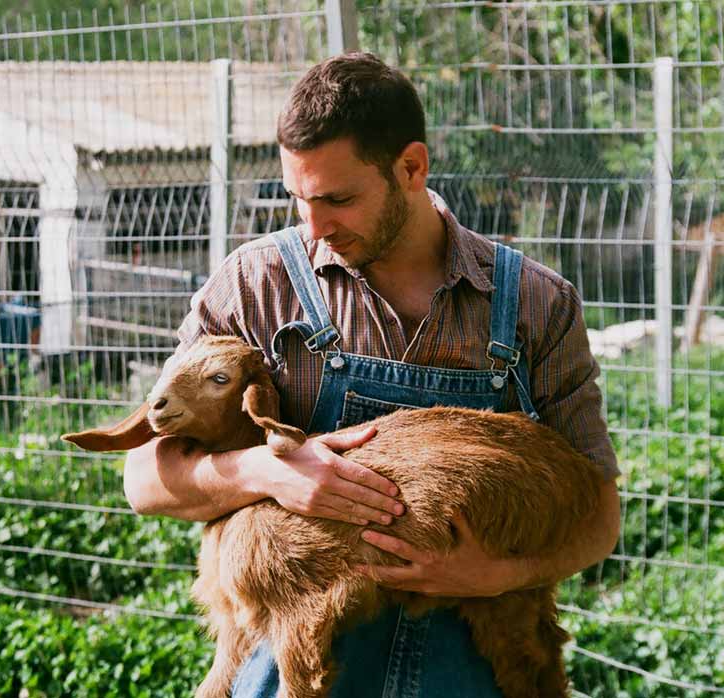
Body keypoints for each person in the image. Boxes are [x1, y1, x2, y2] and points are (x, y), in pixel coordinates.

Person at [123, 51, 621, 697]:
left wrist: (496, 575)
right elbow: (145, 480)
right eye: (298, 198)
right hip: (301, 666)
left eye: (339, 199)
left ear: (411, 167)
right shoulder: (256, 286)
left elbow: (601, 516)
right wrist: (264, 472)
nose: (315, 226)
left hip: (469, 662)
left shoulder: (534, 303)